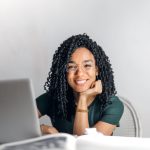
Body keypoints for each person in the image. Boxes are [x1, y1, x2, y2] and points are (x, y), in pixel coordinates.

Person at [36, 33, 124, 136]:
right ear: (64, 72)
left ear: (97, 70)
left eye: (87, 65)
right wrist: (41, 129)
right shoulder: (53, 98)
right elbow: (16, 123)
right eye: (71, 67)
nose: (80, 73)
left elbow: (85, 146)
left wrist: (83, 98)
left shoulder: (112, 105)